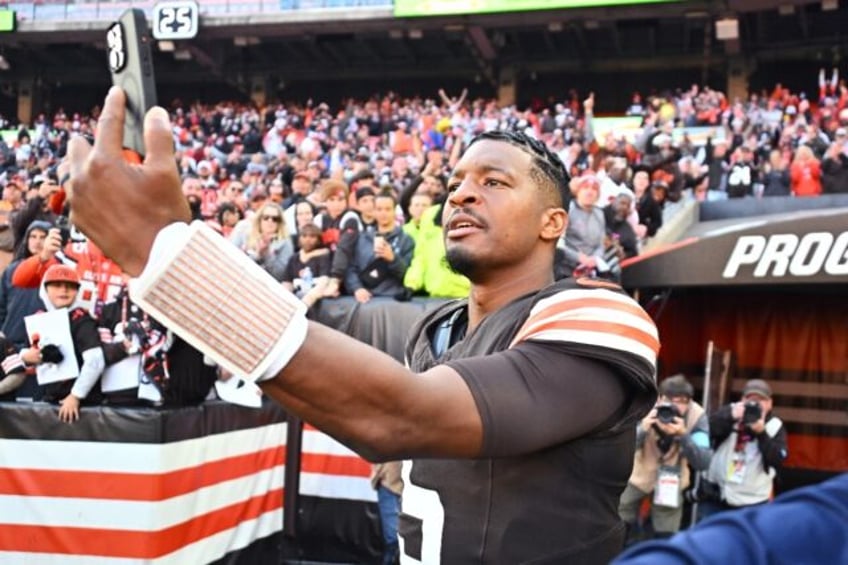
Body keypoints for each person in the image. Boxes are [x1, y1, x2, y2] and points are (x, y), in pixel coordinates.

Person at [67, 88, 659, 563]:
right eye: (455, 185)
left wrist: (176, 261)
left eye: (493, 182)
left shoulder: (598, 314)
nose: (461, 196)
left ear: (554, 222)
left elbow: (398, 416)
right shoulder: (436, 330)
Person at [612, 472, 848, 565]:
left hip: (751, 499)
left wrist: (683, 435)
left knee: (667, 530)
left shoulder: (773, 428)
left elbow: (701, 456)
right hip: (718, 497)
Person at [618, 375, 712, 543]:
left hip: (672, 479)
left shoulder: (697, 416)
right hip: (638, 474)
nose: (675, 406)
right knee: (620, 522)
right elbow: (620, 449)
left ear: (690, 402)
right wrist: (642, 429)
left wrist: (684, 435)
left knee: (666, 535)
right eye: (670, 399)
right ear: (660, 398)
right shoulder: (645, 407)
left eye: (682, 401)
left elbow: (703, 461)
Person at [19, 264, 105, 422]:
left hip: (84, 405)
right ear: (45, 290)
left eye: (70, 286)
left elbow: (95, 360)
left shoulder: (82, 320)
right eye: (57, 285)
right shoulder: (39, 319)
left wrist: (76, 396)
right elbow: (24, 354)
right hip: (50, 399)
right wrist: (26, 357)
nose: (63, 290)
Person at [699, 379, 787, 520]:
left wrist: (761, 433)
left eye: (761, 400)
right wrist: (730, 416)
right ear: (742, 400)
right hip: (716, 496)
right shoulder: (730, 412)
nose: (754, 404)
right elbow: (703, 432)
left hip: (752, 503)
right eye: (750, 399)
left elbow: (778, 459)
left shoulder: (774, 426)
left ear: (770, 404)